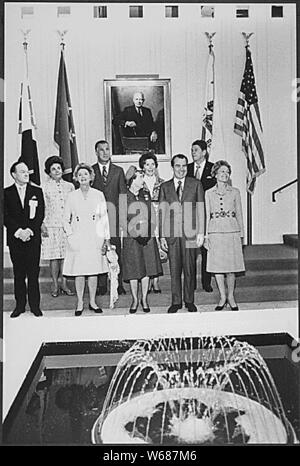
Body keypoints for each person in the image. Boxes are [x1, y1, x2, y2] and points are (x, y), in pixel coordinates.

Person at [63, 163, 111, 316]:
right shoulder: (72, 196)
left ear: (91, 177)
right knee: (79, 271)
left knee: (93, 271)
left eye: (86, 174)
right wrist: (70, 235)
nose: (83, 177)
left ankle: (92, 301)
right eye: (80, 174)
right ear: (76, 178)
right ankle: (79, 302)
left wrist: (106, 239)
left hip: (94, 237)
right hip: (77, 237)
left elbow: (104, 218)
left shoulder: (98, 194)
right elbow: (65, 219)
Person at [159, 154, 205, 313]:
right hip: (172, 235)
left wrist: (201, 232)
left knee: (190, 268)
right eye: (178, 166)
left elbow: (200, 209)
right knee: (175, 269)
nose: (181, 169)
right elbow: (162, 213)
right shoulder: (165, 187)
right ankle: (176, 301)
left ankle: (189, 300)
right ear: (172, 167)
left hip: (191, 234)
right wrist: (162, 236)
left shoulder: (196, 184)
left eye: (184, 166)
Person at [4, 161, 45, 317]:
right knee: (19, 273)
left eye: (27, 171)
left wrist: (29, 231)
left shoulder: (37, 191)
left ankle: (35, 306)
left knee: (33, 273)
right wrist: (18, 231)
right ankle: (20, 306)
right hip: (15, 239)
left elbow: (40, 213)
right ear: (14, 175)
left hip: (33, 238)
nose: (26, 173)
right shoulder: (6, 192)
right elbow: (5, 216)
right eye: (22, 171)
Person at [205, 160, 245, 311]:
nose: (225, 174)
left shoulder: (235, 192)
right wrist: (206, 236)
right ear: (215, 174)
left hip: (232, 231)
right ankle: (222, 296)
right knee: (218, 267)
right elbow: (206, 215)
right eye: (222, 171)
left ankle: (231, 296)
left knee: (231, 267)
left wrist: (242, 235)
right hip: (215, 232)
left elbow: (240, 214)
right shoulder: (208, 193)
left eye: (227, 172)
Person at [122, 166, 163, 314]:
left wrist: (149, 233)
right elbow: (122, 220)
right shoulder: (124, 196)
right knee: (134, 269)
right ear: (132, 180)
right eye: (139, 177)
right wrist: (136, 235)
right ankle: (135, 299)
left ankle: (144, 298)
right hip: (132, 239)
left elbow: (152, 215)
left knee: (146, 268)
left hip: (147, 237)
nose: (142, 179)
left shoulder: (146, 194)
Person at [92, 140, 127, 296]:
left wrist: (122, 219)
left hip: (113, 217)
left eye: (107, 149)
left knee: (115, 250)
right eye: (101, 150)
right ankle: (101, 285)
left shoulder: (118, 171)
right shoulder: (90, 171)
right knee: (99, 250)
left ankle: (117, 283)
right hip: (96, 218)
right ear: (96, 152)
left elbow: (123, 196)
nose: (105, 152)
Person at [41, 156, 75, 297]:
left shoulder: (70, 186)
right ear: (48, 171)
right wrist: (41, 224)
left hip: (66, 227)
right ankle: (55, 284)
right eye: (53, 169)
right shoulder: (44, 187)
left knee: (65, 257)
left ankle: (64, 284)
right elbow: (41, 207)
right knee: (54, 257)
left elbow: (74, 207)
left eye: (59, 168)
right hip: (50, 226)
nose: (56, 171)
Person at [187, 139, 216, 293]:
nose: (193, 153)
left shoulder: (213, 169)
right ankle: (191, 283)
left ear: (204, 152)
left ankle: (206, 282)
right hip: (191, 215)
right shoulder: (187, 168)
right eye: (192, 150)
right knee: (191, 250)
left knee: (206, 250)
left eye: (196, 150)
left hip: (207, 215)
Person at [139, 151, 164, 293]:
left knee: (158, 246)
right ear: (143, 166)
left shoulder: (162, 182)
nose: (150, 167)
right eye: (147, 164)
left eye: (152, 164)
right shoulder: (138, 182)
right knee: (147, 248)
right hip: (144, 217)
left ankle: (156, 280)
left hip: (158, 215)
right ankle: (147, 279)